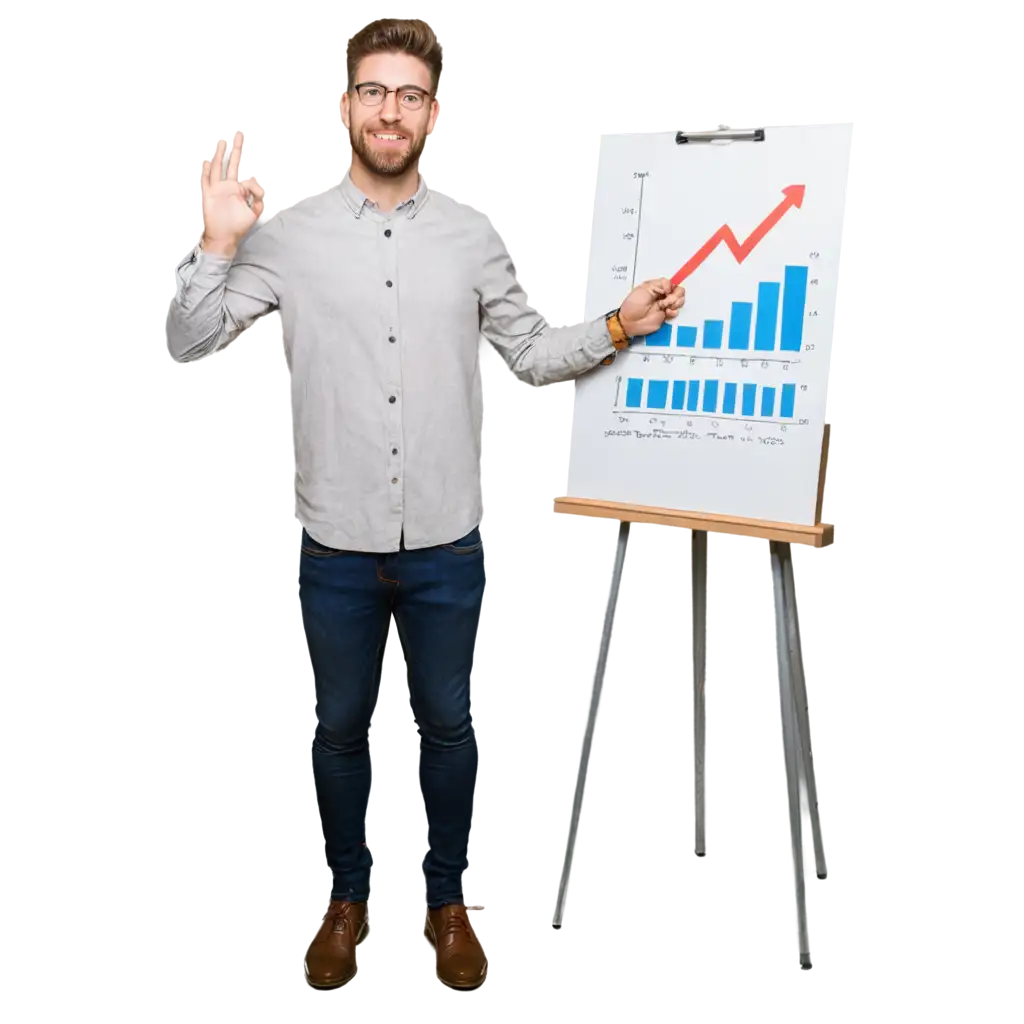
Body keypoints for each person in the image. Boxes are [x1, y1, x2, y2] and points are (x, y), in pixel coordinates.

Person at [161, 15, 685, 991]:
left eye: (408, 94)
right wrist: (211, 242)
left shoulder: (473, 237)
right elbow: (187, 341)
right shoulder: (289, 236)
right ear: (344, 105)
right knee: (340, 732)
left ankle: (448, 901)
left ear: (432, 113)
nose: (389, 110)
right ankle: (348, 897)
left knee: (448, 728)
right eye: (373, 91)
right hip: (336, 541)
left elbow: (528, 353)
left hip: (447, 540)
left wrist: (617, 324)